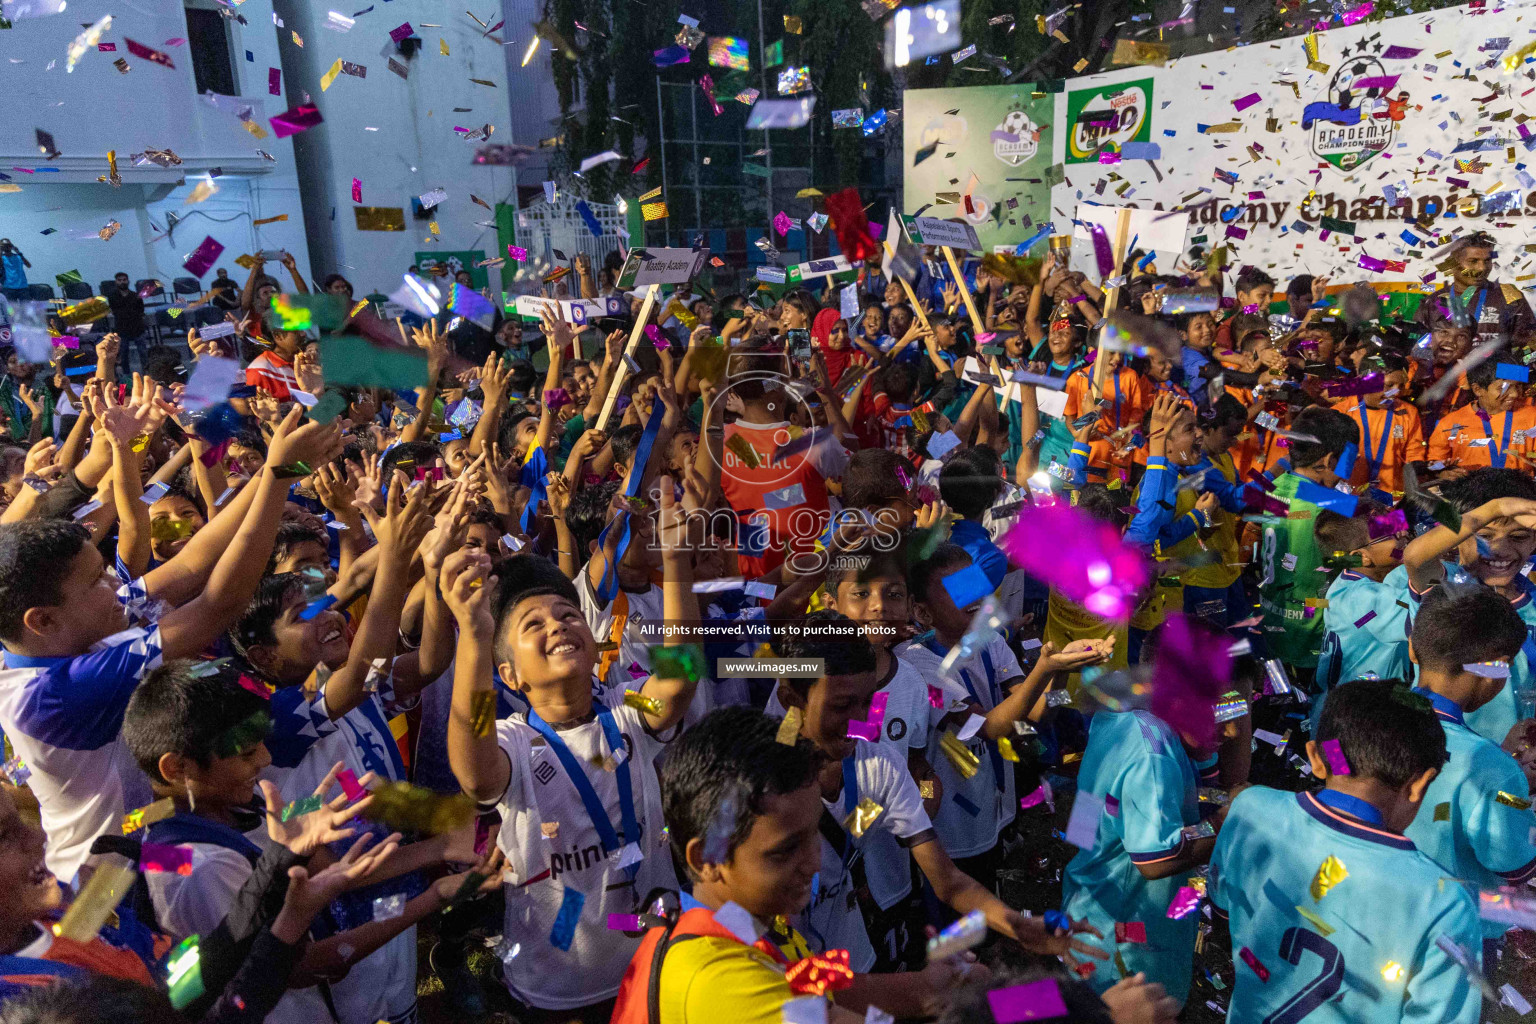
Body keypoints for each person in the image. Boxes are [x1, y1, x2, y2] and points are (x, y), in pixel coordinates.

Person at [0, 407, 343, 884]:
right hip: (110, 888)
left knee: (237, 875)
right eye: (96, 581)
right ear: (41, 620)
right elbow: (219, 604)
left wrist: (274, 473)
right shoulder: (52, 694)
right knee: (224, 909)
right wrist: (281, 476)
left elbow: (193, 563)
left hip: (149, 848)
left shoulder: (58, 642)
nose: (114, 586)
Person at [440, 485, 701, 1023]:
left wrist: (675, 563)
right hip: (556, 991)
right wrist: (474, 636)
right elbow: (474, 768)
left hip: (649, 971)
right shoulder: (513, 739)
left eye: (568, 614)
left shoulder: (627, 710)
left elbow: (679, 679)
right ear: (509, 675)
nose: (559, 624)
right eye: (532, 626)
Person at [1209, 678, 1483, 1024]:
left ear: (1315, 759)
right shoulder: (1444, 901)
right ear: (1420, 784)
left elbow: (1223, 911)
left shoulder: (1249, 809)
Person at [1402, 585, 1536, 945]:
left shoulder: (1357, 718)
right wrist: (1518, 795)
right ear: (1496, 668)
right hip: (1455, 939)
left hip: (1371, 917)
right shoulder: (1492, 769)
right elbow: (1515, 864)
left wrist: (1505, 772)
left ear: (1413, 649)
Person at [1402, 470, 1536, 743]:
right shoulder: (1447, 593)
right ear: (1457, 538)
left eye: (1519, 537)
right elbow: (1415, 558)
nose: (1500, 549)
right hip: (1447, 759)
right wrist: (1497, 507)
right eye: (1483, 536)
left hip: (1513, 768)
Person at [1255, 406, 1359, 673]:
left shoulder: (1275, 486)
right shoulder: (1333, 504)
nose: (1352, 468)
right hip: (1312, 638)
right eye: (1351, 460)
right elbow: (1390, 525)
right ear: (1329, 460)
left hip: (1274, 623)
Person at [1313, 501, 1412, 724]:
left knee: (1327, 759)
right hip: (1358, 725)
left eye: (1398, 520)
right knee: (1341, 761)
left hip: (1328, 715)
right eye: (1391, 531)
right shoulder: (1366, 600)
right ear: (1362, 556)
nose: (1404, 532)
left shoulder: (1346, 584)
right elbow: (1429, 614)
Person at [1415, 231, 1535, 348]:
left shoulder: (1510, 297)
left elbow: (1529, 347)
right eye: (1473, 261)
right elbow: (1417, 351)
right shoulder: (1432, 303)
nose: (1482, 268)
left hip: (1496, 368)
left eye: (1487, 261)